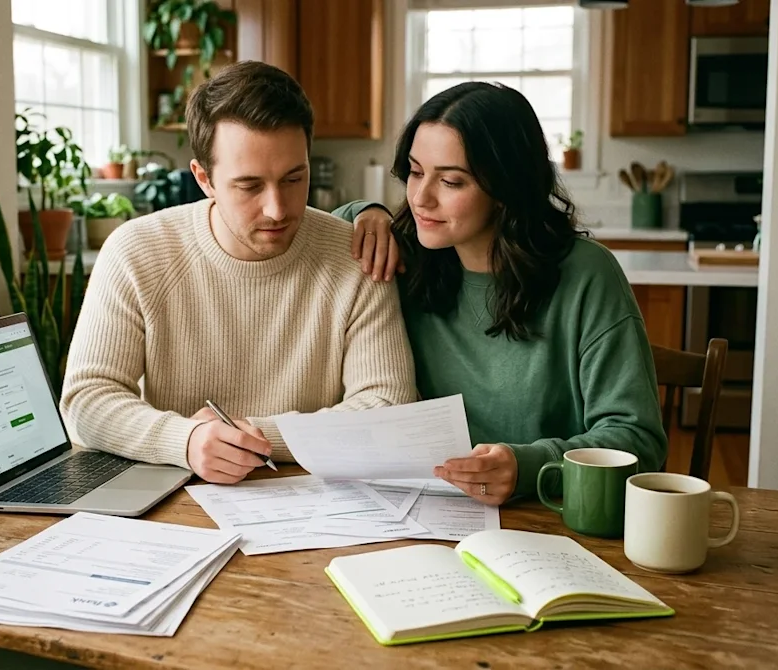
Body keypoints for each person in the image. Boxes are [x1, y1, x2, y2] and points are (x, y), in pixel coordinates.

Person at [60, 61, 418, 485]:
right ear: (204, 178)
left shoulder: (356, 256)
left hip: (314, 498)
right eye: (249, 186)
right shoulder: (136, 251)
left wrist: (249, 438)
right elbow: (87, 400)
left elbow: (388, 404)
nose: (278, 209)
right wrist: (187, 440)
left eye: (294, 178)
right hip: (177, 496)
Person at [332, 81, 667, 505]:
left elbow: (637, 440)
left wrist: (529, 466)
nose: (420, 198)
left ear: (506, 189)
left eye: (450, 181)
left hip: (547, 521)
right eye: (415, 172)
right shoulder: (408, 256)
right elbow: (323, 231)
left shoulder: (586, 275)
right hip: (425, 508)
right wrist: (367, 212)